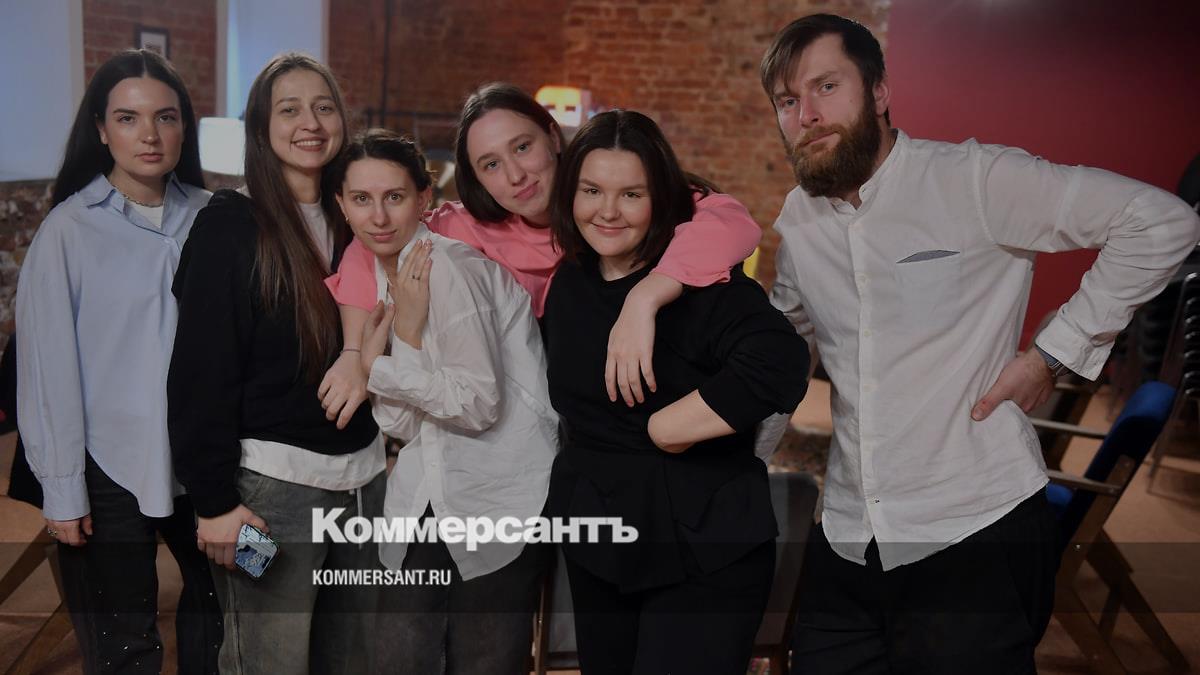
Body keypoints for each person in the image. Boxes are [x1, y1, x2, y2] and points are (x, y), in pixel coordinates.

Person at [758, 14, 1200, 674]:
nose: (807, 115)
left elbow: (1162, 223)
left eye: (826, 86)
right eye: (788, 101)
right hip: (850, 532)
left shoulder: (974, 179)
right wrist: (734, 465)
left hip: (975, 528)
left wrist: (1050, 354)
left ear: (878, 91)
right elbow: (780, 359)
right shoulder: (799, 219)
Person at [322, 82, 762, 428]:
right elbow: (376, 243)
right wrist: (354, 352)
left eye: (522, 147)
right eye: (490, 164)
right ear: (476, 178)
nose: (515, 175)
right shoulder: (465, 227)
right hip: (546, 410)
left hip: (663, 401)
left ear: (552, 135)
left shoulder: (613, 197)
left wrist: (645, 297)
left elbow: (731, 220)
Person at [541, 110, 810, 674]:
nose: (607, 211)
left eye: (630, 194)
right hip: (602, 540)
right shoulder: (568, 283)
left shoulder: (701, 282)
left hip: (703, 545)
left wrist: (669, 426)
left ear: (660, 197)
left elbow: (780, 362)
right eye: (591, 190)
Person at [167, 53, 384, 674]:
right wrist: (213, 504)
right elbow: (199, 376)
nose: (310, 122)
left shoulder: (360, 219)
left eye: (323, 107)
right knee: (268, 661)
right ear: (261, 127)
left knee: (353, 660)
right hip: (268, 494)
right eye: (289, 109)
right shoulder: (229, 227)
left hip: (364, 485)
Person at [15, 49, 220, 674]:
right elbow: (47, 370)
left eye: (165, 117)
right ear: (102, 130)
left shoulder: (216, 217)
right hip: (108, 469)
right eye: (128, 119)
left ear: (184, 127)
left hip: (208, 461)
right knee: (123, 645)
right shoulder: (68, 231)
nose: (149, 135)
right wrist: (61, 490)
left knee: (236, 603)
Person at [328, 128, 558, 673]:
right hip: (427, 492)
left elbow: (478, 405)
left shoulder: (449, 268)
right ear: (342, 205)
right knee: (398, 659)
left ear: (424, 198)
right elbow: (403, 424)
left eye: (394, 196)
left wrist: (382, 364)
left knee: (482, 664)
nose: (378, 216)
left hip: (498, 495)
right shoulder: (386, 278)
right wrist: (405, 339)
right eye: (361, 199)